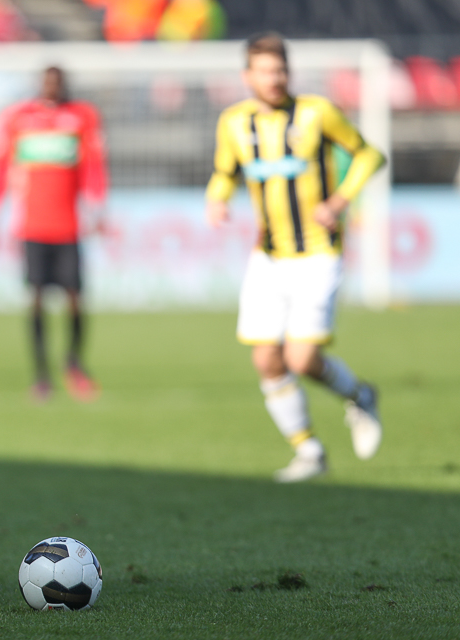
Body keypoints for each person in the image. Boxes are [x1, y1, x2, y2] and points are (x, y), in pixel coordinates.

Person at [205, 32, 386, 483]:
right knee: (266, 360)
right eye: (265, 71)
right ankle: (308, 451)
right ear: (248, 76)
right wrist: (217, 198)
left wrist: (339, 201)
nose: (274, 79)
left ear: (290, 72)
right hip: (268, 255)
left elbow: (369, 155)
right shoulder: (234, 122)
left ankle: (360, 395)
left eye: (280, 70)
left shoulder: (316, 113)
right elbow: (224, 171)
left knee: (301, 359)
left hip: (318, 251)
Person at [0, 66, 108, 402]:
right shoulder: (17, 118)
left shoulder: (82, 116)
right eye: (47, 82)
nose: (52, 87)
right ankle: (41, 374)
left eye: (57, 82)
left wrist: (98, 210)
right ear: (39, 85)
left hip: (69, 226)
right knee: (36, 299)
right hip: (32, 226)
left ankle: (74, 364)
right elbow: (1, 168)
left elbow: (94, 167)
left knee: (75, 299)